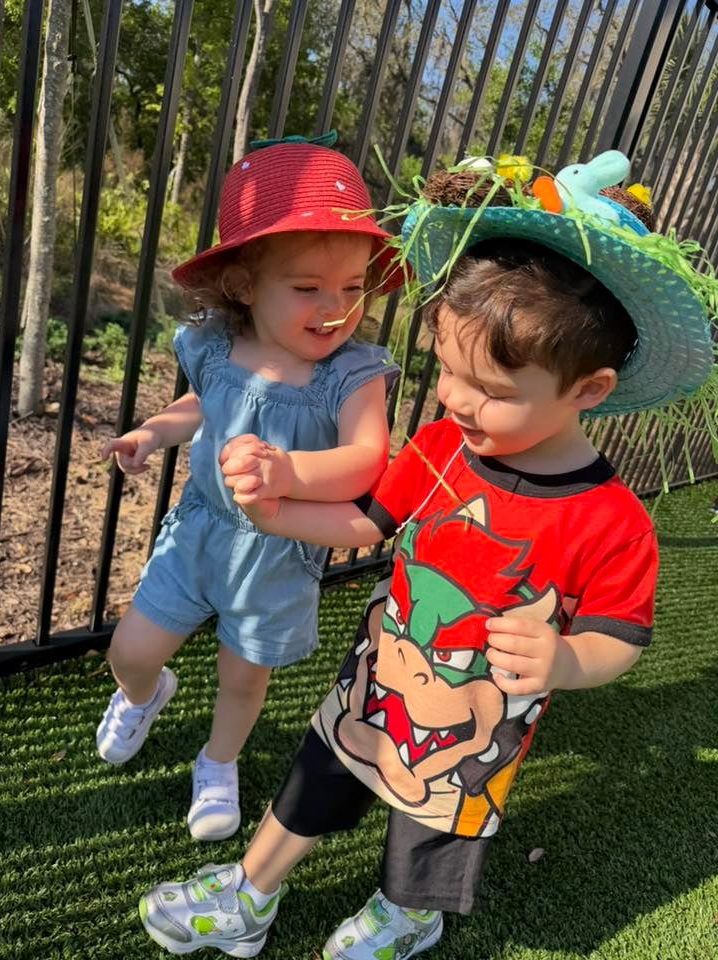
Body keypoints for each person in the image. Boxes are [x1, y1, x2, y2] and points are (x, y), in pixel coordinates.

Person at [137, 150, 717, 958]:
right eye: (445, 369)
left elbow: (621, 635)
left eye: (494, 391)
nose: (455, 399)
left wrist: (565, 659)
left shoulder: (610, 520)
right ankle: (250, 893)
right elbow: (366, 522)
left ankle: (409, 914)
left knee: (432, 827)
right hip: (379, 674)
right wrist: (277, 511)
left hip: (478, 726)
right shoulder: (445, 444)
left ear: (588, 389)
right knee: (320, 770)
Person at [96, 132, 402, 843]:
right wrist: (151, 433)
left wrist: (289, 474)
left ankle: (218, 760)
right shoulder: (217, 346)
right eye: (308, 288)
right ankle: (146, 694)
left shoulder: (351, 373)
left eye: (353, 289)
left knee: (243, 678)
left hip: (277, 556)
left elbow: (367, 458)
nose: (336, 307)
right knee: (131, 652)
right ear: (242, 285)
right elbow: (206, 405)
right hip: (199, 535)